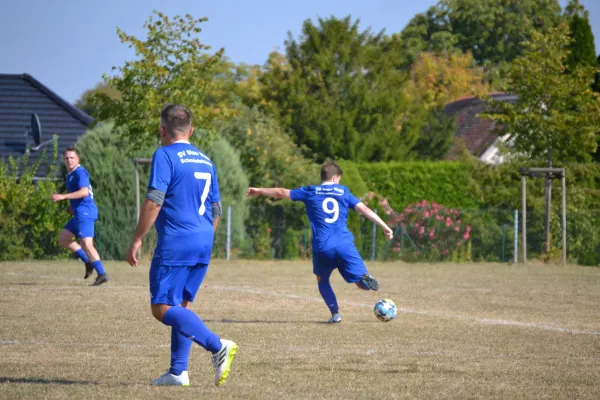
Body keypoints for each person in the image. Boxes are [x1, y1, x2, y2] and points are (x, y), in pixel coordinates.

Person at [126, 104, 237, 387]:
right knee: (181, 307)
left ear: (162, 130)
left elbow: (154, 200)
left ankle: (216, 345)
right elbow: (216, 209)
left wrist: (138, 238)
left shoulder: (164, 154)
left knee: (161, 308)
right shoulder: (206, 160)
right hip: (203, 239)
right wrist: (204, 237)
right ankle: (178, 372)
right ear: (192, 130)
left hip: (177, 241)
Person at [247, 161, 394, 323]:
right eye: (339, 180)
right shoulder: (343, 192)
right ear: (334, 178)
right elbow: (364, 210)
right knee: (359, 283)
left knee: (322, 280)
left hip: (322, 246)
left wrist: (259, 190)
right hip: (344, 244)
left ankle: (335, 314)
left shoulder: (310, 191)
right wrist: (385, 227)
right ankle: (365, 279)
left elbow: (282, 192)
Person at [51, 147, 109, 286]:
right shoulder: (71, 174)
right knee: (64, 239)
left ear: (78, 159)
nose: (69, 160)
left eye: (72, 157)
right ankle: (87, 260)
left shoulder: (80, 172)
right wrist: (72, 207)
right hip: (79, 212)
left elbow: (84, 192)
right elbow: (81, 194)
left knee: (87, 244)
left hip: (86, 212)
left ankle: (102, 274)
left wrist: (63, 196)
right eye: (66, 158)